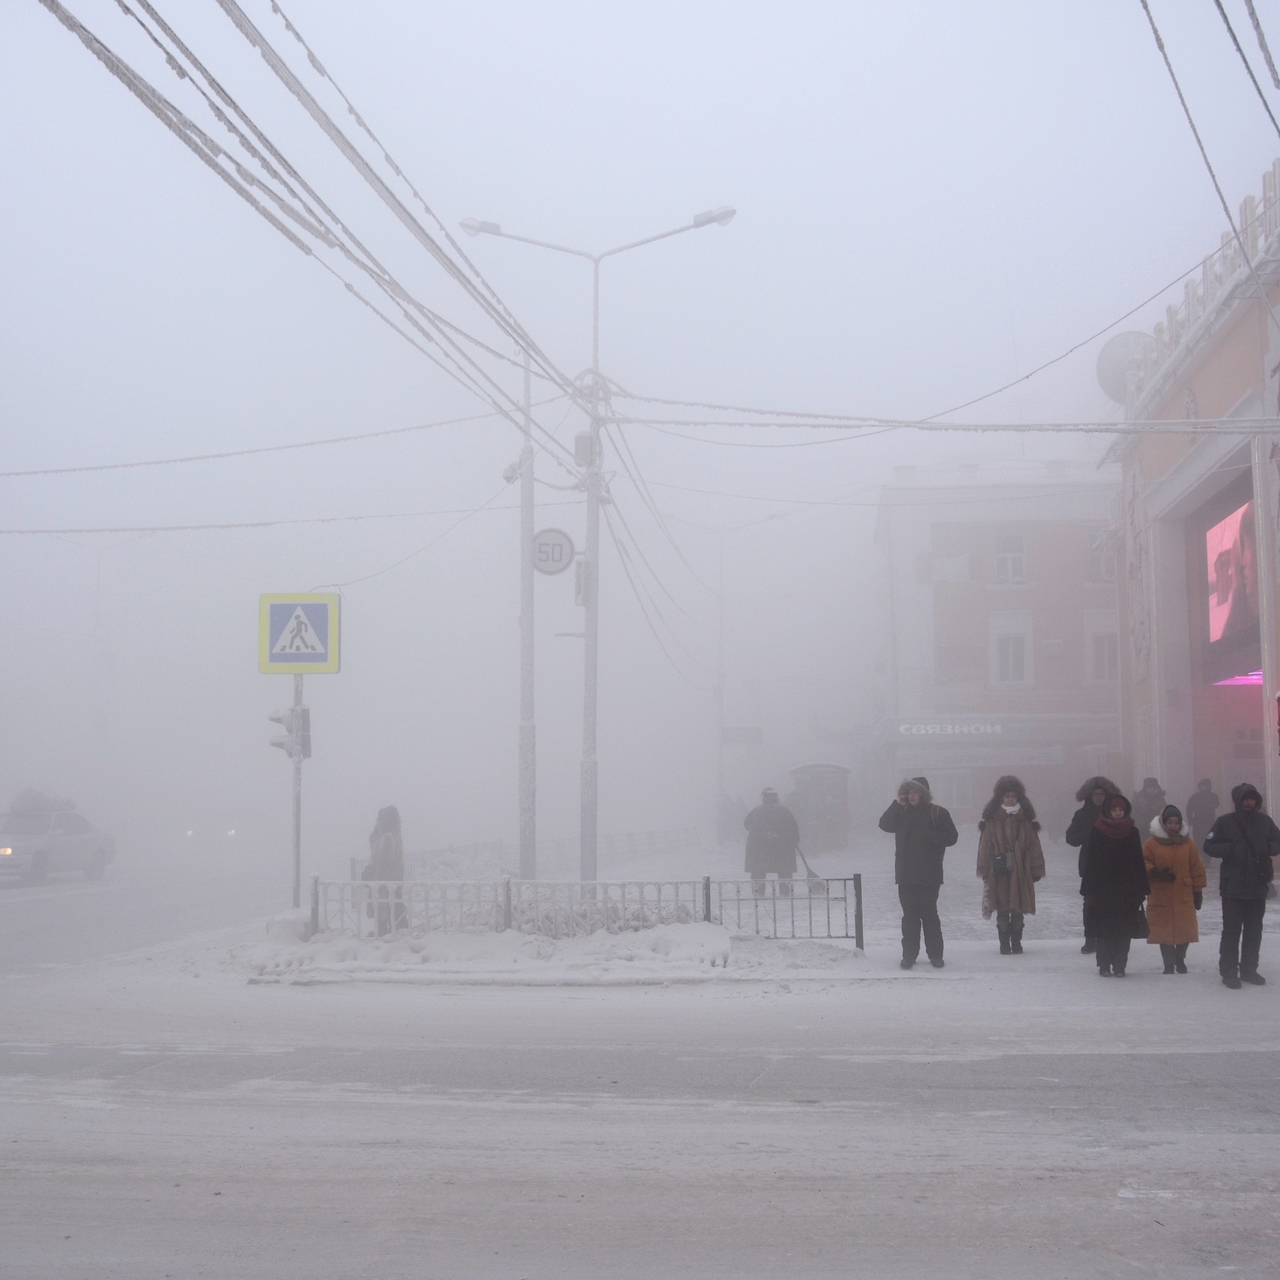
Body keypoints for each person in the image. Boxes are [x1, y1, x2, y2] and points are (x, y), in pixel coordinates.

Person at [878, 777, 958, 970]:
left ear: (924, 794)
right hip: (905, 875)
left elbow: (952, 837)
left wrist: (929, 837)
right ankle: (909, 955)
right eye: (909, 792)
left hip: (929, 874)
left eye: (915, 792)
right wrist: (898, 804)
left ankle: (936, 955)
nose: (911, 796)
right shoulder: (902, 813)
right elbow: (885, 824)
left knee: (929, 915)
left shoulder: (936, 812)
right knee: (909, 917)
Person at [1202, 783, 1277, 988]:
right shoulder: (1224, 822)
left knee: (1254, 930)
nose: (1249, 802)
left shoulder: (1265, 822)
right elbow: (1208, 846)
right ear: (1238, 800)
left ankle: (1249, 969)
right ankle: (1228, 972)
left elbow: (1278, 842)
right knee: (1231, 931)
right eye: (1245, 799)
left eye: (1252, 799)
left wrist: (1266, 847)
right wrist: (1230, 848)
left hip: (1256, 885)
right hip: (1233, 885)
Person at [1080, 794, 1149, 977]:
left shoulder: (1132, 831)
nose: (1118, 813)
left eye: (1121, 810)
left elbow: (1138, 861)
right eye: (1114, 810)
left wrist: (1142, 889)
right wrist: (1088, 890)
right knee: (1104, 931)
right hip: (1103, 890)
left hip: (1127, 890)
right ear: (1108, 811)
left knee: (1123, 931)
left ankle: (1120, 965)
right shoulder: (1098, 830)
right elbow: (1091, 861)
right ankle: (1104, 965)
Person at [976, 776, 1045, 955]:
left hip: (1021, 871)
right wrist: (984, 869)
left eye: (1013, 796)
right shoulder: (992, 821)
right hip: (999, 871)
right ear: (1001, 798)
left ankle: (1017, 942)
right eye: (1007, 796)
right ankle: (1004, 943)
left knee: (1018, 908)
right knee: (1002, 907)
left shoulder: (1025, 820)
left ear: (1018, 798)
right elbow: (985, 846)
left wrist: (1036, 868)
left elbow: (1034, 846)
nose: (1010, 799)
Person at [1142, 803, 1207, 974]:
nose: (1173, 826)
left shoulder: (1188, 844)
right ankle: (1168, 964)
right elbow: (1143, 862)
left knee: (1185, 929)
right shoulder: (1152, 843)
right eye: (1169, 822)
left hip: (1183, 893)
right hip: (1160, 893)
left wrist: (1198, 890)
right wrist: (1155, 872)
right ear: (1163, 823)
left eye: (1176, 822)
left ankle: (1180, 959)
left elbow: (1196, 867)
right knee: (1163, 930)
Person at [1065, 775, 1120, 955]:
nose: (1098, 797)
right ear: (1089, 795)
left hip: (1113, 864)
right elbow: (1071, 838)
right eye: (1095, 794)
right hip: (1089, 864)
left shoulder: (1116, 812)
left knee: (1112, 903)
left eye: (1101, 794)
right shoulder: (1081, 815)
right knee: (1090, 903)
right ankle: (1090, 939)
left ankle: (1110, 937)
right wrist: (1088, 834)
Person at [743, 787, 801, 896]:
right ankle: (785, 893)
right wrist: (793, 841)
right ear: (776, 798)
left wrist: (760, 833)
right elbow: (794, 829)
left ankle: (758, 894)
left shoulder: (756, 811)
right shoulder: (784, 811)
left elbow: (746, 824)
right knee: (784, 872)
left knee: (758, 874)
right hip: (782, 849)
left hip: (759, 850)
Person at [364, 805, 405, 935]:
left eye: (379, 820)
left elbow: (383, 864)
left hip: (385, 884)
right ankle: (399, 934)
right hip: (394, 883)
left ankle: (384, 938)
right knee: (397, 913)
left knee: (386, 914)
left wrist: (373, 879)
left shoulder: (387, 838)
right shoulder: (395, 836)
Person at [1185, 779, 1220, 849]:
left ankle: (1207, 858)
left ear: (1209, 787)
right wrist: (1190, 819)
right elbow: (1189, 808)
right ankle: (1199, 857)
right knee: (1198, 842)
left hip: (1209, 823)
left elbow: (1216, 804)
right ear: (1200, 787)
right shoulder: (1195, 797)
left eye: (1206, 786)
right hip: (1198, 823)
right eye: (1202, 786)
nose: (1204, 788)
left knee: (1208, 841)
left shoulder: (1213, 796)